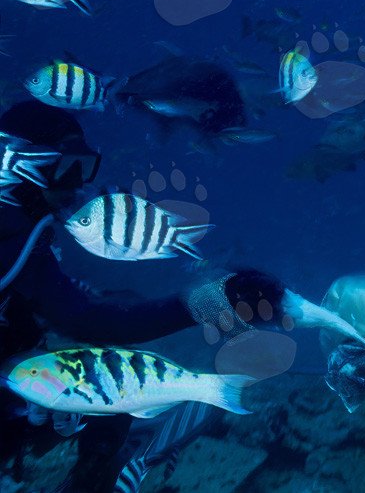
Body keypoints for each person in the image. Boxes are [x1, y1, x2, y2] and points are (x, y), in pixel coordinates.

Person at [0, 101, 289, 492]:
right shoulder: (12, 231)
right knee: (106, 367)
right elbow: (89, 321)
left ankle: (95, 471)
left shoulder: (22, 228)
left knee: (106, 371)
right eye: (63, 166)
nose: (76, 184)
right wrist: (212, 301)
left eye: (84, 167)